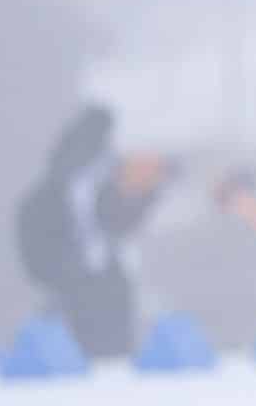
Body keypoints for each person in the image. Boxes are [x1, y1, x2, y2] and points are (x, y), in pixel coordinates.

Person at [14, 105, 172, 359]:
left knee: (113, 360)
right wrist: (62, 275)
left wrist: (150, 194)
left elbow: (120, 220)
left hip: (107, 288)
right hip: (74, 294)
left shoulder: (103, 188)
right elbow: (36, 247)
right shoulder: (48, 199)